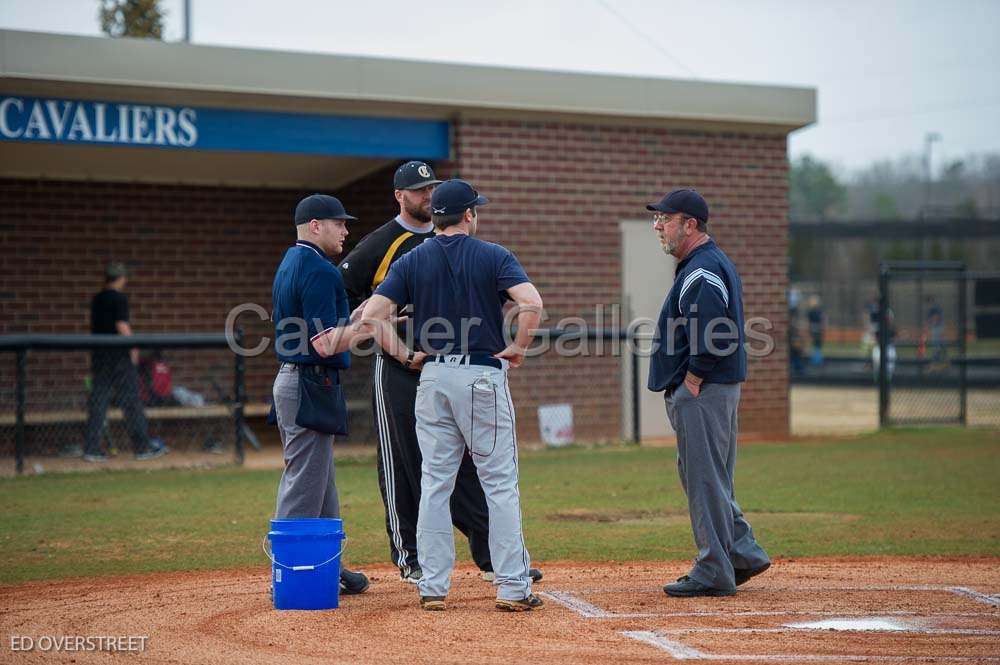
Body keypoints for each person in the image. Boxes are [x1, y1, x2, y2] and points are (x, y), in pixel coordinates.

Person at [339, 161, 541, 586]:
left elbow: (374, 313)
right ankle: (418, 558)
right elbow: (356, 304)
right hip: (421, 369)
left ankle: (459, 569)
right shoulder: (386, 243)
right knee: (413, 463)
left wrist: (398, 331)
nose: (426, 195)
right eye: (417, 189)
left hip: (432, 370)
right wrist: (517, 349)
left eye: (431, 189)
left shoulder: (425, 255)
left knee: (445, 471)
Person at [647, 188, 770, 598]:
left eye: (666, 219)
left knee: (704, 479)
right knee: (708, 477)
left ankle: (715, 569)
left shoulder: (700, 270)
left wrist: (693, 379)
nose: (658, 226)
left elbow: (715, 333)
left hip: (705, 389)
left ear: (690, 224)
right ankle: (742, 553)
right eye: (657, 219)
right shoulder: (702, 264)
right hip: (713, 388)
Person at [270, 194, 374, 596]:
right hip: (309, 382)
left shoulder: (292, 261)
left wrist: (364, 314)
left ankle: (328, 565)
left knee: (321, 481)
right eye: (339, 223)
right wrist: (369, 328)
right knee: (304, 483)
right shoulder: (319, 269)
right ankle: (291, 574)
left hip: (300, 380)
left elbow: (321, 327)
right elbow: (326, 343)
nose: (346, 231)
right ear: (316, 225)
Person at [83, 262, 168, 462]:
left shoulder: (97, 299)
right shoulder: (119, 298)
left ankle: (91, 448)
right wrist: (134, 348)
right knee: (131, 401)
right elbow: (122, 326)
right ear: (120, 278)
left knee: (98, 401)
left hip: (100, 356)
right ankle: (142, 448)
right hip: (118, 358)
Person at [806, 295, 824, 366]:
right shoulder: (816, 311)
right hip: (816, 328)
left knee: (816, 345)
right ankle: (817, 359)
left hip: (815, 328)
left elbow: (820, 320)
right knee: (816, 345)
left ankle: (817, 360)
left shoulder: (814, 311)